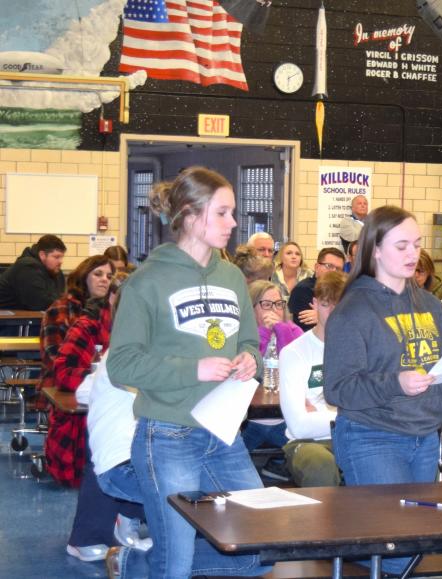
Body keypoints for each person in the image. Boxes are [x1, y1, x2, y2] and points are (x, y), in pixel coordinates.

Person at [106, 166, 271, 578]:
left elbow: (249, 342)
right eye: (223, 213)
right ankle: (156, 563)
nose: (234, 223)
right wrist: (192, 367)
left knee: (257, 550)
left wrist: (250, 358)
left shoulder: (232, 277)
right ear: (190, 215)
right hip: (167, 435)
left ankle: (135, 562)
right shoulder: (146, 282)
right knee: (175, 563)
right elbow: (121, 364)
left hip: (223, 432)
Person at [323, 204, 442, 485]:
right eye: (402, 246)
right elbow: (337, 389)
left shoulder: (430, 305)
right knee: (390, 525)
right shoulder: (353, 310)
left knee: (418, 525)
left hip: (425, 434)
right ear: (375, 249)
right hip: (372, 436)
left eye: (417, 244)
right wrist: (396, 383)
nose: (413, 254)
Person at [56, 274, 149, 563]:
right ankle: (97, 531)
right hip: (122, 445)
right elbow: (78, 385)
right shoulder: (114, 341)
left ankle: (126, 518)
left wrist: (103, 395)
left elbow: (86, 391)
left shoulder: (127, 343)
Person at [278, 271, 347, 487]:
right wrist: (350, 417)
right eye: (327, 305)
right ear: (315, 304)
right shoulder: (295, 352)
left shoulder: (363, 349)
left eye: (341, 305)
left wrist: (324, 416)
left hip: (354, 438)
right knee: (321, 465)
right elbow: (299, 425)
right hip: (307, 443)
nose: (334, 313)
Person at [242, 280, 302, 460]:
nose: (274, 310)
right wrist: (264, 332)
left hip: (285, 422)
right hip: (248, 422)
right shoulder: (243, 334)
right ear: (252, 308)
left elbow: (294, 370)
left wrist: (281, 330)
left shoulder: (294, 331)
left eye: (278, 304)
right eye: (266, 304)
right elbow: (251, 372)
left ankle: (276, 464)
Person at [39, 256, 115, 398]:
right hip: (60, 386)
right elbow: (52, 356)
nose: (105, 279)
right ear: (83, 277)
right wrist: (93, 375)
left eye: (109, 277)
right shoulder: (61, 308)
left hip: (100, 385)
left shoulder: (110, 312)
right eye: (98, 274)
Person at [0, 233, 67, 311]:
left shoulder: (55, 271)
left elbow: (59, 300)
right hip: (6, 319)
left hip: (22, 317)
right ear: (42, 255)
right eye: (56, 257)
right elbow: (39, 304)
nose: (61, 261)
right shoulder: (27, 267)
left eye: (62, 257)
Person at [288, 247, 345, 331]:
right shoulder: (303, 290)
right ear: (317, 267)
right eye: (329, 266)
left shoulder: (345, 292)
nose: (334, 272)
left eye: (338, 269)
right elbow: (307, 329)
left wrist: (322, 317)